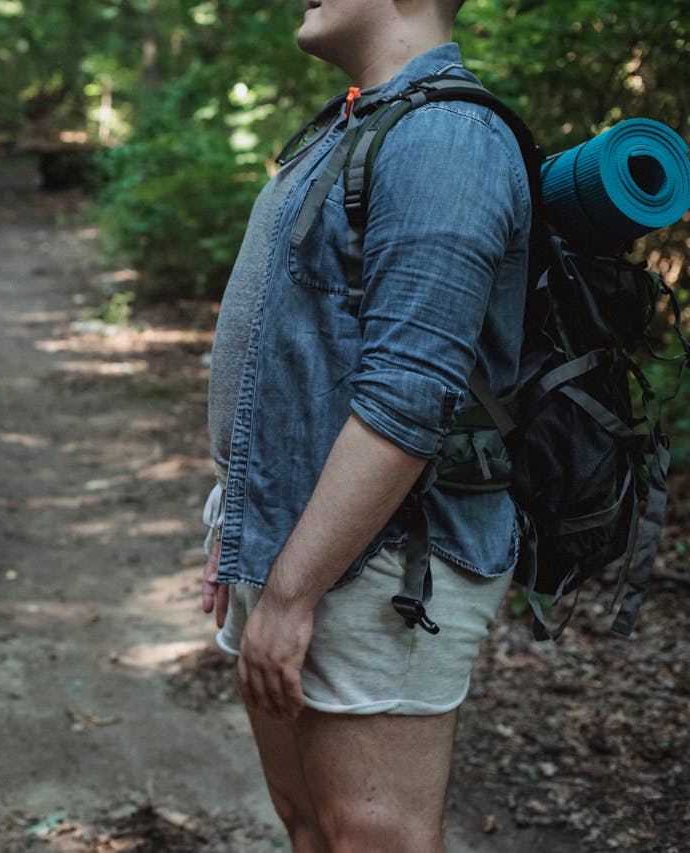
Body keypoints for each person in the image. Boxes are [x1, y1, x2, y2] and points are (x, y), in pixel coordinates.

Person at [200, 0, 529, 850]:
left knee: (370, 835)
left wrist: (291, 591)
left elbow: (407, 399)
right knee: (311, 824)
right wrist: (240, 515)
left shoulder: (448, 138)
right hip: (294, 535)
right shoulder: (345, 127)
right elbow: (290, 355)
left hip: (386, 562)